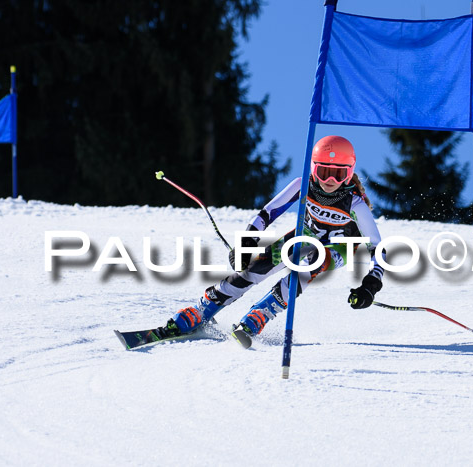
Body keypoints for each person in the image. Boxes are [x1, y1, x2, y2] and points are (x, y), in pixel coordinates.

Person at [160, 135, 386, 348]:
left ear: (349, 173)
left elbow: (377, 248)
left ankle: (262, 312)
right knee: (256, 268)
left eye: (337, 174)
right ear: (313, 168)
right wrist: (246, 244)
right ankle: (204, 309)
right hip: (305, 235)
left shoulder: (355, 204)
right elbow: (267, 213)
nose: (329, 180)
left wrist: (371, 285)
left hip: (339, 247)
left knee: (310, 263)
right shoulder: (303, 185)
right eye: (323, 171)